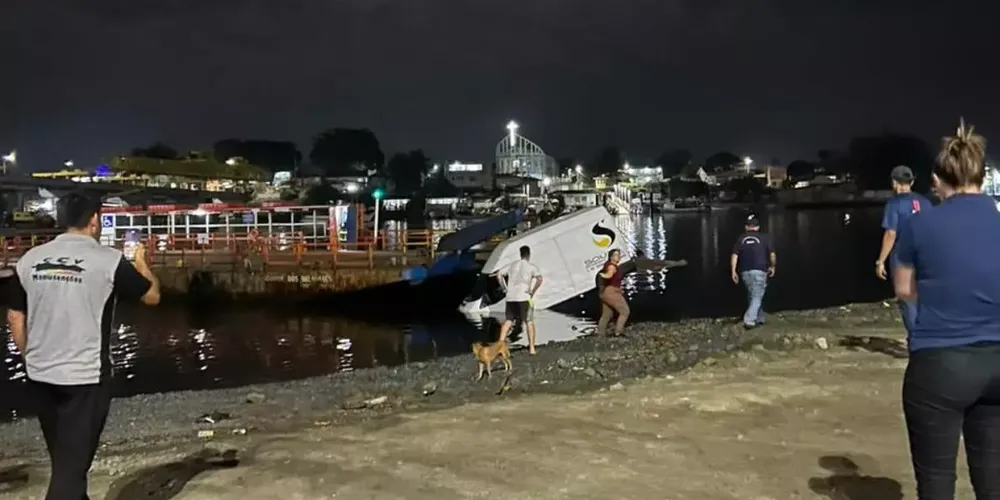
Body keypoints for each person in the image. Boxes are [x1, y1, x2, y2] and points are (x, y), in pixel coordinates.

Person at [5, 192, 161, 500]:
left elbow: (14, 316)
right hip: (85, 377)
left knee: (66, 461)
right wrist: (142, 262)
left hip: (39, 376)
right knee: (71, 469)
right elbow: (151, 296)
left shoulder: (29, 260)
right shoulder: (108, 260)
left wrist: (29, 357)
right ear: (94, 220)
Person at [892, 119, 1000, 499]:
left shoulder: (919, 226)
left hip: (940, 364)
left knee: (937, 480)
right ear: (983, 179)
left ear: (938, 180)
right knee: (993, 477)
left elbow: (904, 288)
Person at [876, 165, 932, 333]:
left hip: (902, 258)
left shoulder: (894, 204)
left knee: (908, 301)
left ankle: (915, 340)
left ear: (894, 183)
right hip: (925, 256)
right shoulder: (925, 202)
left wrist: (880, 261)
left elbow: (890, 234)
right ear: (912, 182)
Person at [730, 214, 775, 329]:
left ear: (746, 227)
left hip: (745, 272)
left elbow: (734, 255)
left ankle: (759, 317)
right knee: (757, 295)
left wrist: (733, 271)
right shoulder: (765, 238)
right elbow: (772, 254)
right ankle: (749, 320)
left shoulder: (741, 239)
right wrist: (773, 266)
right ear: (758, 227)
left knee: (752, 294)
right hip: (759, 270)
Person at [496, 245, 543, 355]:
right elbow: (540, 279)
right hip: (524, 297)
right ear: (529, 255)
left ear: (520, 254)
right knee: (529, 321)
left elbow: (499, 275)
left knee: (508, 321)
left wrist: (504, 288)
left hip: (511, 297)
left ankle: (499, 346)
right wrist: (532, 291)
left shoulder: (512, 266)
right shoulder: (531, 267)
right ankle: (532, 348)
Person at [597, 249, 630, 336]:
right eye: (616, 255)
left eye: (619, 255)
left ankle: (600, 333)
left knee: (606, 315)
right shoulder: (612, 266)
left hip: (605, 293)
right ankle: (618, 332)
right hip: (612, 292)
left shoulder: (608, 265)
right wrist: (604, 275)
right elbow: (609, 274)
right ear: (611, 257)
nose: (618, 256)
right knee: (624, 312)